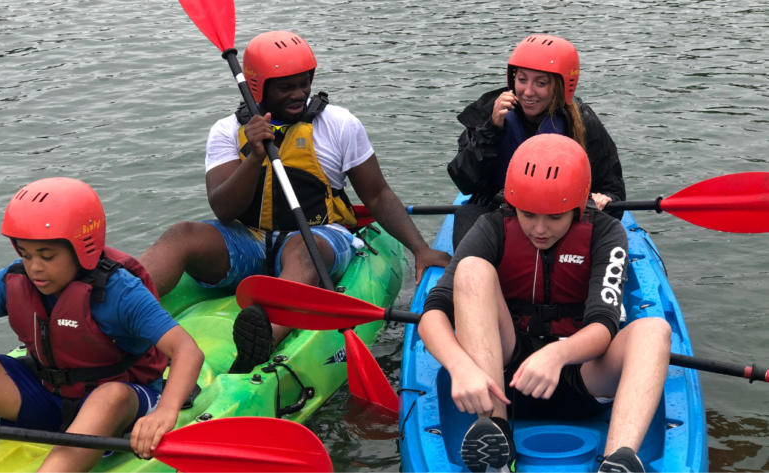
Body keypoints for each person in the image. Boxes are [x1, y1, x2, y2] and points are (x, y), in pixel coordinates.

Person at [140, 30, 451, 374]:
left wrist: (420, 249)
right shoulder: (227, 131)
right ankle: (115, 308)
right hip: (249, 237)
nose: (299, 94)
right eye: (286, 87)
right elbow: (224, 209)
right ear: (258, 89)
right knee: (182, 234)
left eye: (304, 83)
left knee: (305, 249)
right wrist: (254, 156)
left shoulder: (338, 124)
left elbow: (377, 195)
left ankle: (262, 338)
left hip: (320, 235)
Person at [0, 178, 203, 473]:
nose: (35, 268)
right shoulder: (14, 281)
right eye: (26, 254)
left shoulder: (120, 292)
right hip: (49, 396)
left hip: (120, 409)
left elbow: (187, 350)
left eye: (47, 255)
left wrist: (166, 412)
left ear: (83, 248)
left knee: (109, 397)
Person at [420, 135, 669, 473]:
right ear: (512, 204)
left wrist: (557, 355)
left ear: (579, 206)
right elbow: (432, 315)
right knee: (471, 269)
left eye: (554, 217)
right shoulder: (492, 227)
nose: (539, 229)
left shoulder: (606, 233)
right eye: (528, 214)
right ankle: (496, 436)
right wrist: (459, 366)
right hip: (504, 381)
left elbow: (604, 326)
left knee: (654, 330)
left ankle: (616, 460)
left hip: (584, 376)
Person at [447, 34, 626, 246]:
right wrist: (492, 130)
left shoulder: (583, 122)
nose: (528, 91)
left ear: (560, 86)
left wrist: (605, 200)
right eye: (522, 80)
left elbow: (614, 193)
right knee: (466, 216)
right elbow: (465, 181)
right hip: (500, 212)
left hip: (558, 223)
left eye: (541, 83)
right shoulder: (491, 112)